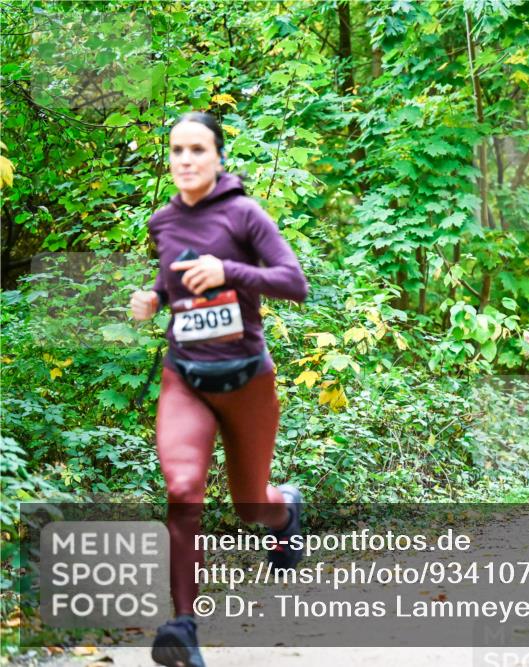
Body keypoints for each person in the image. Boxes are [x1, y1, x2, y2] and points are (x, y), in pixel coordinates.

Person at [130, 112, 308, 667]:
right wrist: (153, 299)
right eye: (177, 150)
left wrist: (230, 270)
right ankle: (181, 628)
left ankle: (286, 512)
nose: (185, 160)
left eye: (197, 150)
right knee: (182, 490)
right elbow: (171, 275)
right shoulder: (162, 222)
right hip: (185, 376)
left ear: (218, 157)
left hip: (247, 379)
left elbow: (293, 282)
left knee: (250, 505)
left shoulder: (245, 215)